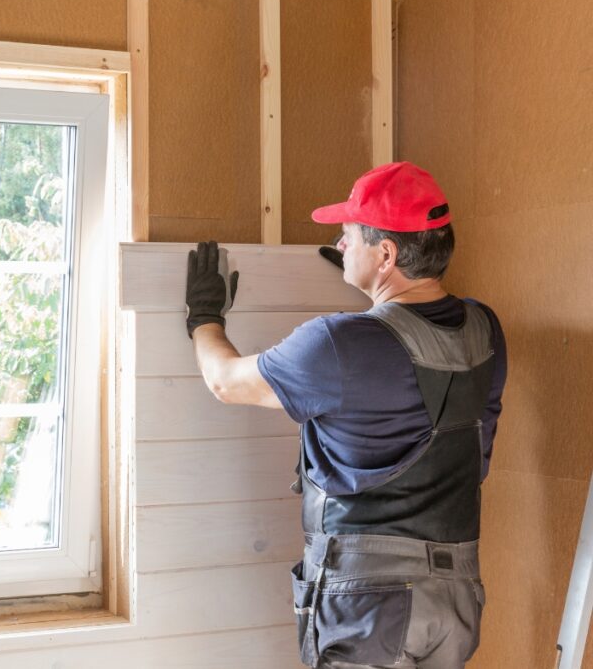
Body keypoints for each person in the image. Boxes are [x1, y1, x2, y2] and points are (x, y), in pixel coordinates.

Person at [185, 162, 507, 669]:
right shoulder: (484, 329)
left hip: (370, 604)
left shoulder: (337, 344)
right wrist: (371, 286)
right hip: (455, 599)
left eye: (348, 235)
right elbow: (460, 432)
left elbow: (225, 380)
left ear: (387, 254)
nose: (338, 244)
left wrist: (204, 316)